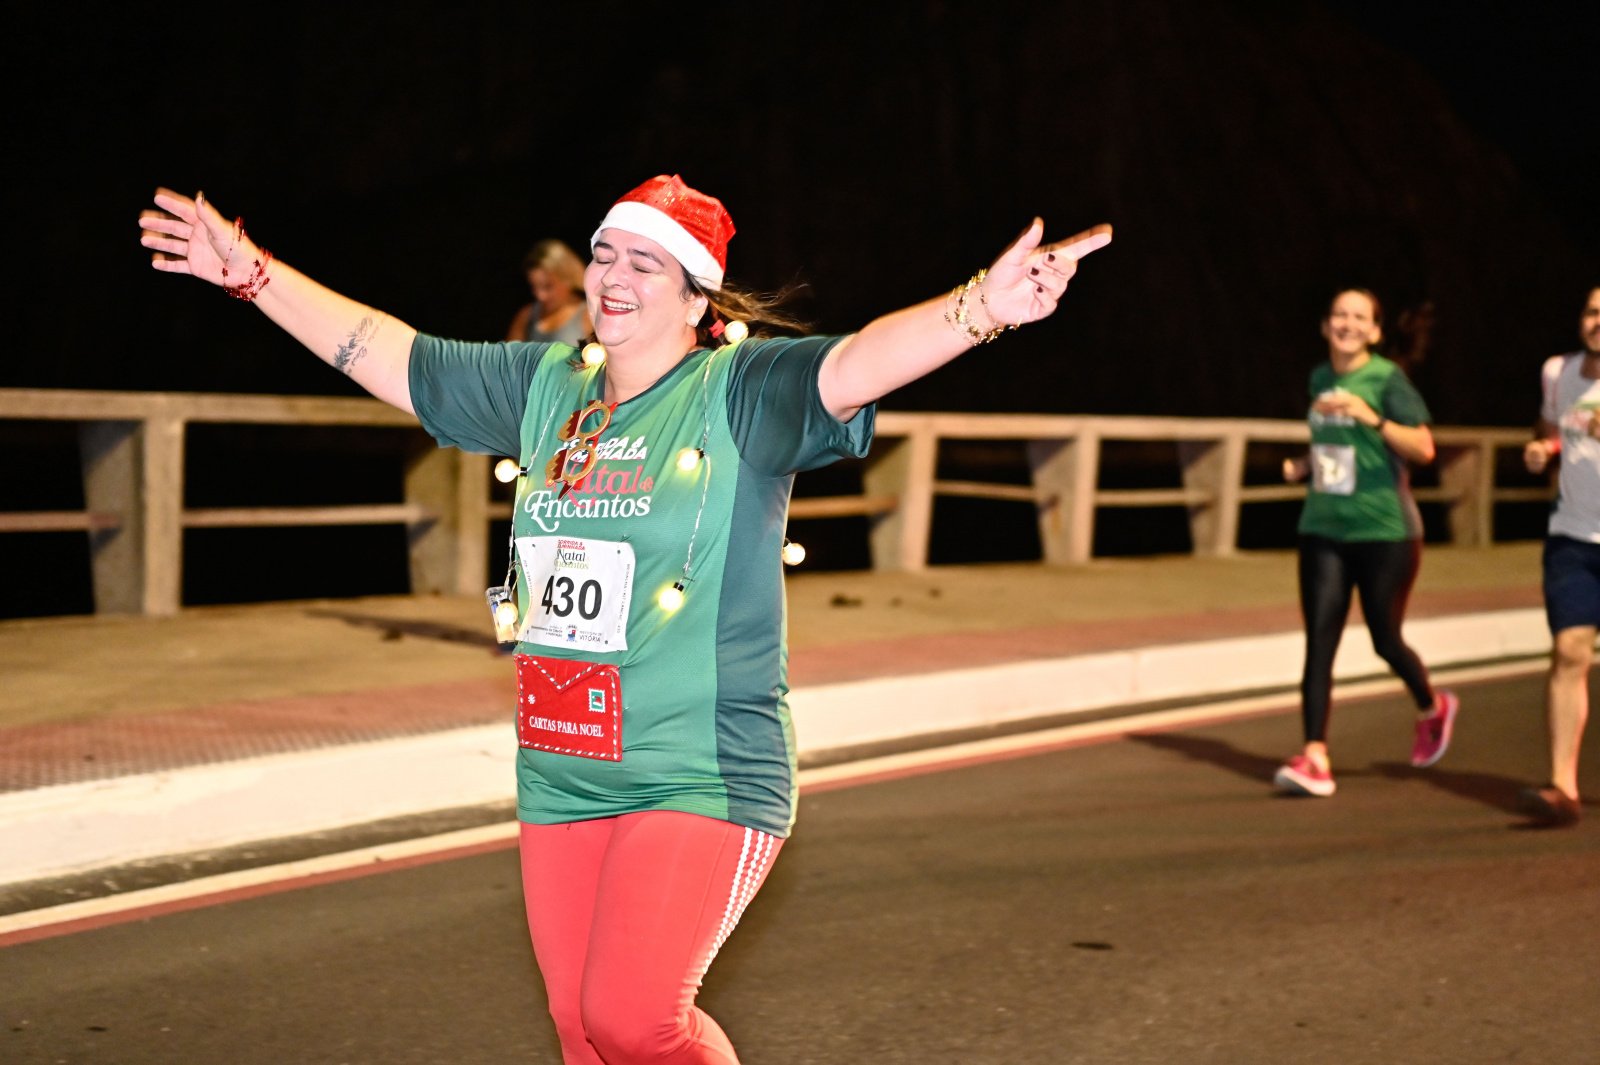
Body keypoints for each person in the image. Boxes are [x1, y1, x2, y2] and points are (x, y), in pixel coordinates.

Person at [139, 175, 1111, 1065]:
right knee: (582, 1032)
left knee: (632, 1018)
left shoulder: (739, 392)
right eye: (605, 253)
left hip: (701, 769)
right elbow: (391, 353)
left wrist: (981, 308)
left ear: (696, 299)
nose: (612, 276)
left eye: (645, 263)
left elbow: (858, 363)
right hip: (562, 767)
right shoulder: (545, 388)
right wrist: (252, 275)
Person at [1274, 288, 1460, 798]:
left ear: (1375, 331)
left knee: (1385, 639)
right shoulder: (1319, 377)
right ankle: (1315, 756)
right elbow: (1335, 448)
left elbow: (1424, 448)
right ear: (1325, 325)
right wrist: (1305, 465)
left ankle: (1432, 706)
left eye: (1360, 317)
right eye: (1339, 314)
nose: (1348, 323)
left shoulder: (1386, 379)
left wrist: (1371, 416)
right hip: (1322, 528)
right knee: (1320, 641)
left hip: (1386, 531)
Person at [1516, 285, 1600, 827]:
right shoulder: (1559, 372)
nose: (1599, 321)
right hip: (1572, 536)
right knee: (1569, 651)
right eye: (1592, 311)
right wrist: (1542, 449)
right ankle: (1562, 787)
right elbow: (1552, 426)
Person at [506, 238, 593, 345]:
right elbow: (508, 354)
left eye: (547, 286)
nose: (540, 295)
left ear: (568, 277)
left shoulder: (590, 316)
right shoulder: (526, 317)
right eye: (533, 286)